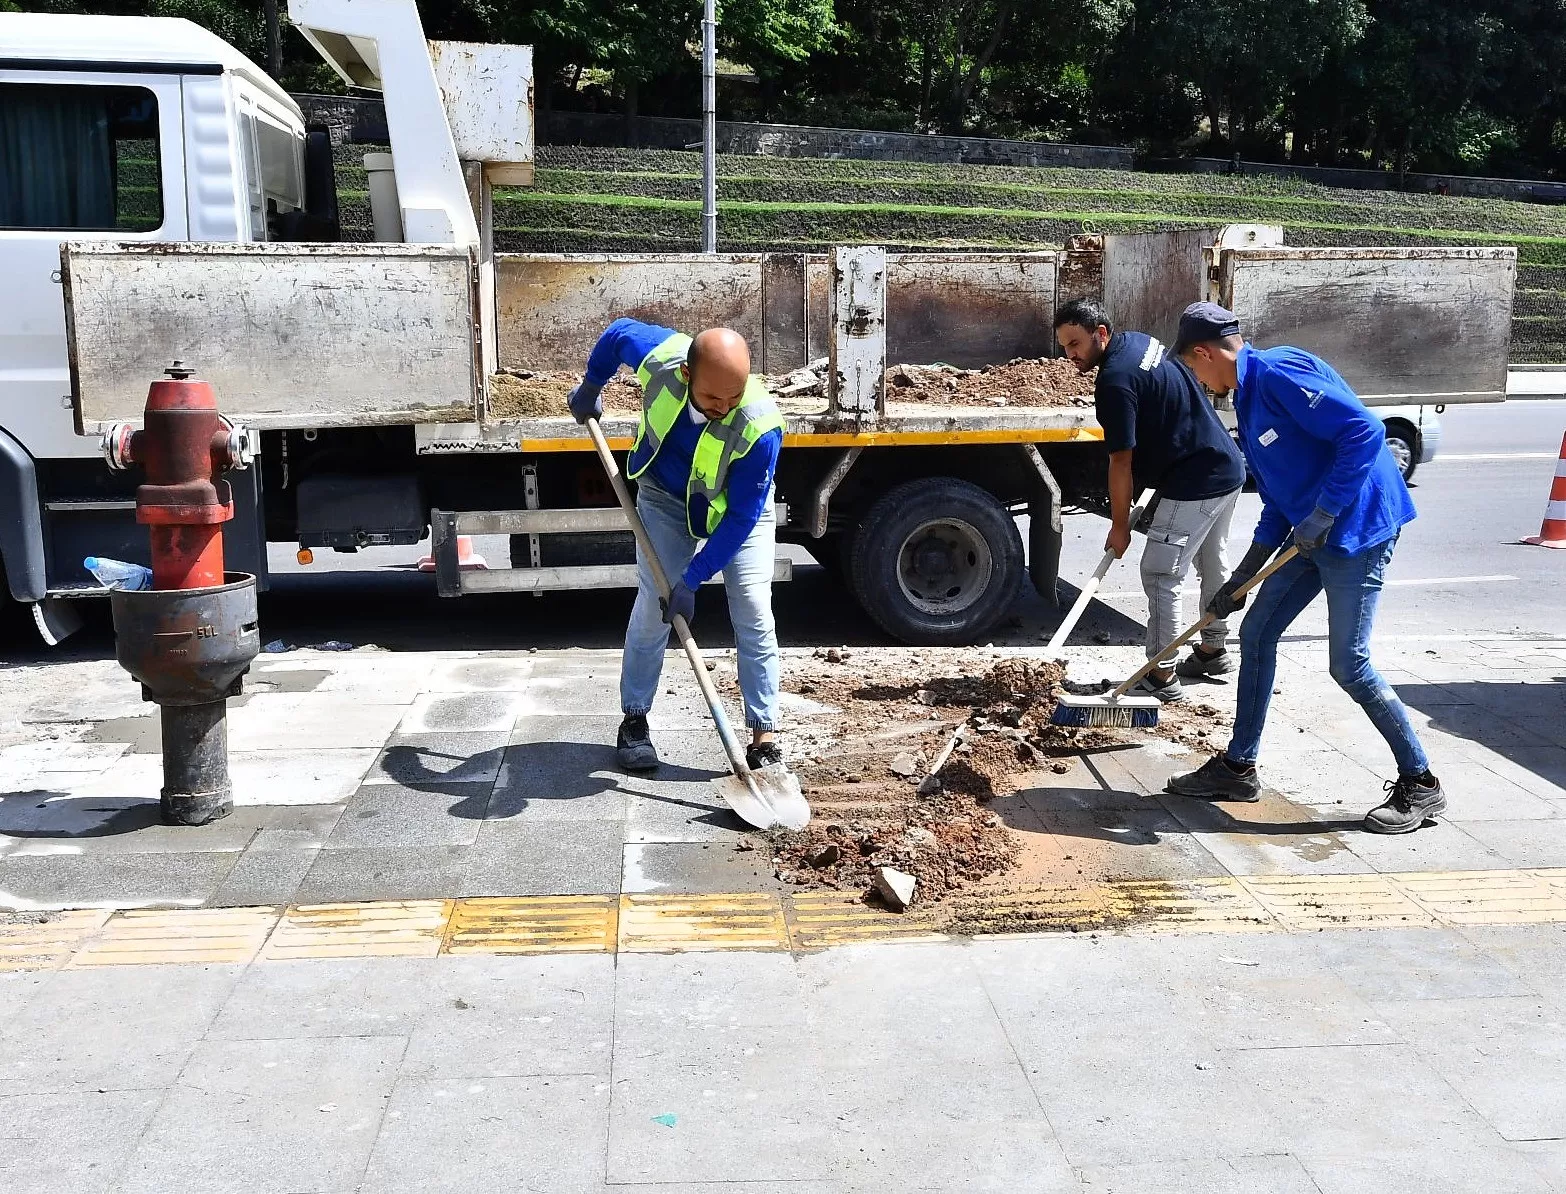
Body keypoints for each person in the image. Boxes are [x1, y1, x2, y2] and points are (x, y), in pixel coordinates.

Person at [1167, 301, 1444, 834]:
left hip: (1357, 530)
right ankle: (1238, 767)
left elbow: (1364, 431)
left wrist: (1324, 513)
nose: (1200, 381)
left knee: (1350, 665)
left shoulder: (1277, 374)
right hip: (1311, 534)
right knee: (1256, 632)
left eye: (1195, 370)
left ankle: (1422, 783)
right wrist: (1242, 575)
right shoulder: (1247, 400)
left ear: (1204, 353)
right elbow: (1278, 497)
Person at [567, 319, 785, 774]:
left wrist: (695, 576)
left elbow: (743, 517)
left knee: (752, 605)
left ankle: (763, 738)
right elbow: (615, 334)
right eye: (712, 399)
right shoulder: (664, 359)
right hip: (665, 497)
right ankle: (635, 721)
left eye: (734, 396)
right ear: (688, 377)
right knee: (654, 605)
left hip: (731, 513)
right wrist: (590, 388)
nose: (725, 407)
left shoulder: (761, 427)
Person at [1053, 299, 1247, 702]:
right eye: (1065, 346)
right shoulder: (1141, 343)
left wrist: (1119, 525)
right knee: (1212, 559)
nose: (1069, 355)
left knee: (1161, 573)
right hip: (1225, 464)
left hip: (1195, 480)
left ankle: (1160, 674)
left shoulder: (1114, 381)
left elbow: (1120, 459)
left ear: (1100, 334)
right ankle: (1213, 649)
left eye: (1074, 344)